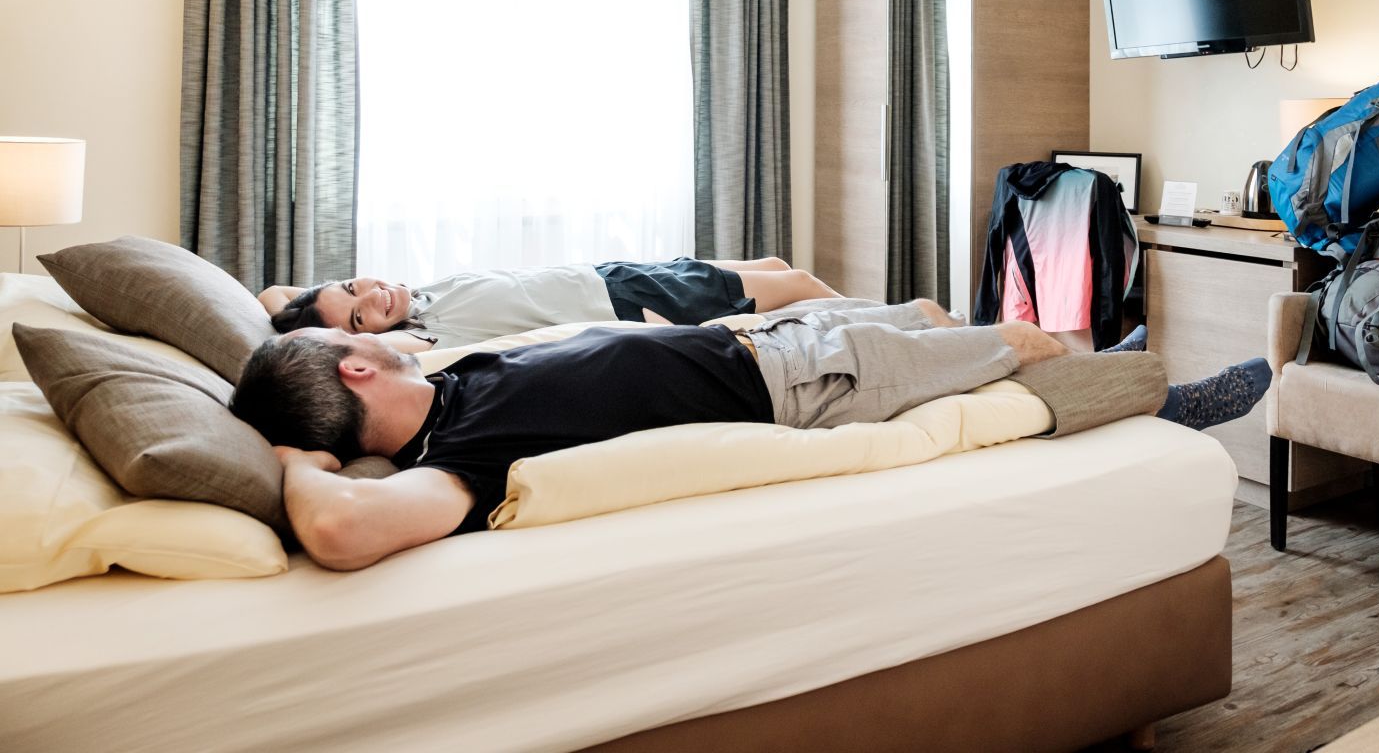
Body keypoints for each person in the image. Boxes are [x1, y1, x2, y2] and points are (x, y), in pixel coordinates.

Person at [232, 303, 1270, 572]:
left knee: (959, 327)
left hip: (771, 343)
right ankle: (1160, 397)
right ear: (353, 370)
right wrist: (293, 459)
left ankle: (1121, 364)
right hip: (803, 385)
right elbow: (342, 533)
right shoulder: (457, 463)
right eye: (341, 339)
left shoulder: (453, 387)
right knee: (1017, 345)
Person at [258, 256, 841, 354]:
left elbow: (271, 298)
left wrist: (291, 310)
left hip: (612, 273)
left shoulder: (418, 296)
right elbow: (305, 338)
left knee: (775, 268)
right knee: (804, 284)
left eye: (354, 286)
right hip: (628, 301)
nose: (373, 295)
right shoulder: (429, 337)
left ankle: (881, 323)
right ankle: (903, 325)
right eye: (361, 314)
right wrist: (288, 337)